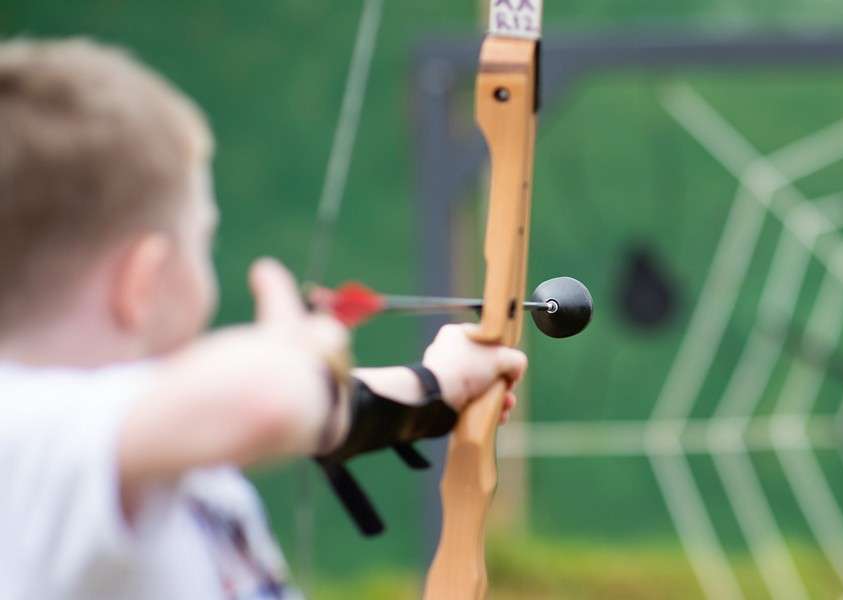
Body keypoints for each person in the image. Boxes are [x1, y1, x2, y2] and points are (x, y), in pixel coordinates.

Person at [0, 38, 527, 599]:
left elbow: (236, 405)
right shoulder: (23, 435)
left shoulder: (136, 441)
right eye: (202, 240)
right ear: (141, 283)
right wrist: (302, 353)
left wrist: (435, 386)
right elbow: (267, 402)